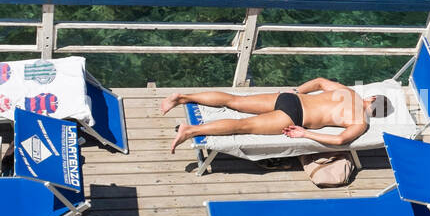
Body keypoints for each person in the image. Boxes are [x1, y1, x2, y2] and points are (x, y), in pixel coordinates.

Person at [161, 79, 382, 154]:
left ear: (371, 98)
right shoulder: (360, 121)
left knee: (234, 100)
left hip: (291, 99)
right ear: (374, 111)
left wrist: (297, 91)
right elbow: (340, 140)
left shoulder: (349, 92)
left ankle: (182, 97)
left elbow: (320, 81)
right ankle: (191, 131)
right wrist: (306, 133)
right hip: (295, 116)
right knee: (242, 126)